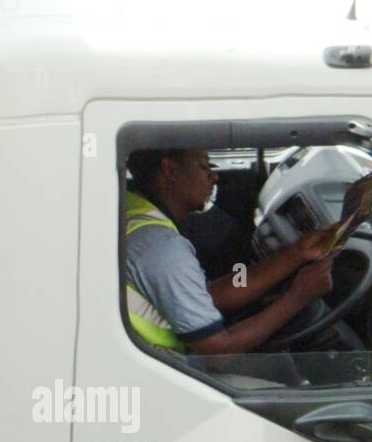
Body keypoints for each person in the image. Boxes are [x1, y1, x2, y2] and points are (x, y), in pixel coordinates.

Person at [124, 148, 337, 364]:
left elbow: (210, 295)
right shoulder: (162, 249)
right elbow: (219, 353)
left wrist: (297, 253)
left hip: (152, 360)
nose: (214, 176)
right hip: (162, 369)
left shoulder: (133, 209)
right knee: (285, 373)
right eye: (204, 167)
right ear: (170, 170)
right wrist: (299, 296)